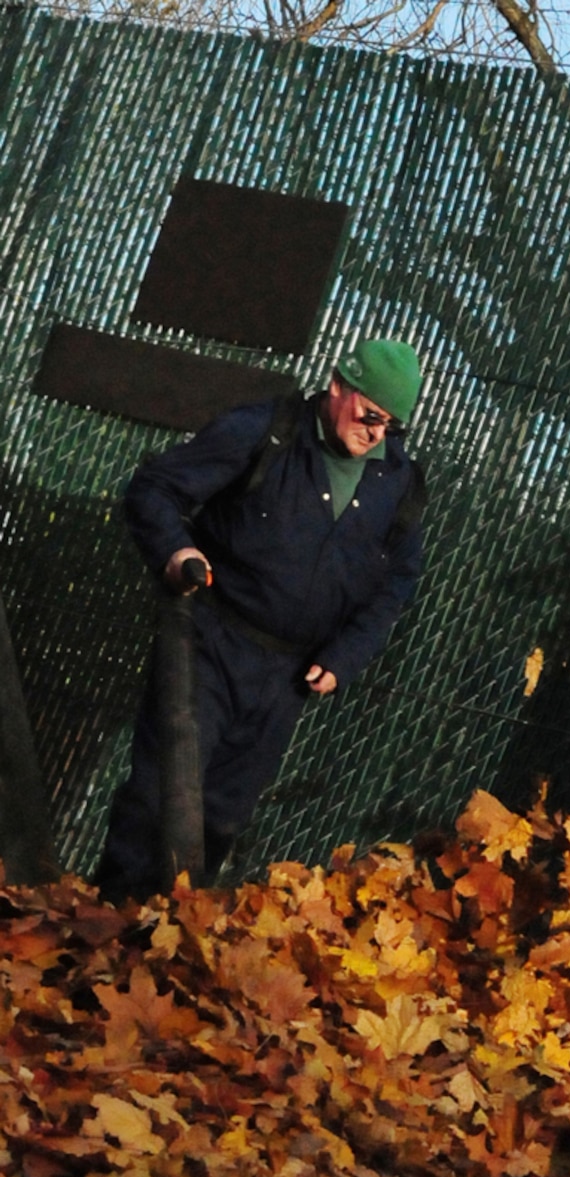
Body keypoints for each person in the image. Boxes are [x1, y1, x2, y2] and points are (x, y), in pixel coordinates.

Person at [95, 339, 425, 900]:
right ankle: (103, 928)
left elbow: (397, 583)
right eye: (370, 416)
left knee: (220, 818)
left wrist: (344, 656)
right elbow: (155, 489)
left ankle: (165, 946)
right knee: (161, 796)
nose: (376, 435)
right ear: (339, 386)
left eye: (391, 427)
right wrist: (177, 553)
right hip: (210, 640)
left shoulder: (399, 484)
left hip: (288, 676)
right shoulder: (264, 430)